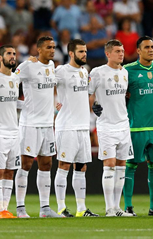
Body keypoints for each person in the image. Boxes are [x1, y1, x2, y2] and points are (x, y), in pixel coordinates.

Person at [122, 36, 153, 216]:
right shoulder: (128, 70)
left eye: (152, 47)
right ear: (138, 51)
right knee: (131, 165)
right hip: (136, 127)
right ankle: (128, 206)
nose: (151, 50)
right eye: (147, 47)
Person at [14, 36, 61, 218]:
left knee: (47, 164)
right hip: (30, 124)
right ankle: (20, 208)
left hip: (48, 124)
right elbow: (9, 84)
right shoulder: (27, 66)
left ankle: (45, 209)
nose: (52, 50)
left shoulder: (51, 67)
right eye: (49, 47)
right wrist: (21, 105)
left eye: (54, 47)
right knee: (25, 164)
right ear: (39, 49)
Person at [88, 39, 134, 217]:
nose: (121, 54)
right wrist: (93, 106)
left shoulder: (124, 72)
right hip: (106, 125)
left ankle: (117, 208)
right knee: (110, 164)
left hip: (123, 124)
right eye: (117, 51)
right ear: (108, 54)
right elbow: (87, 92)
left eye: (122, 51)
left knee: (122, 165)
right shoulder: (98, 72)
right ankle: (109, 208)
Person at [53, 39, 98, 217]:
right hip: (67, 127)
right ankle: (61, 208)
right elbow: (45, 84)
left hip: (82, 126)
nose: (84, 54)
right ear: (71, 53)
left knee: (81, 167)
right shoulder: (61, 71)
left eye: (85, 51)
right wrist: (54, 103)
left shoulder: (84, 71)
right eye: (80, 51)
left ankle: (81, 209)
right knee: (64, 165)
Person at [0, 45, 21, 219]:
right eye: (9, 54)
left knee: (10, 171)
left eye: (14, 54)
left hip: (14, 131)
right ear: (0, 58)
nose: (13, 56)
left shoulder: (16, 79)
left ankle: (5, 209)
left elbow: (14, 103)